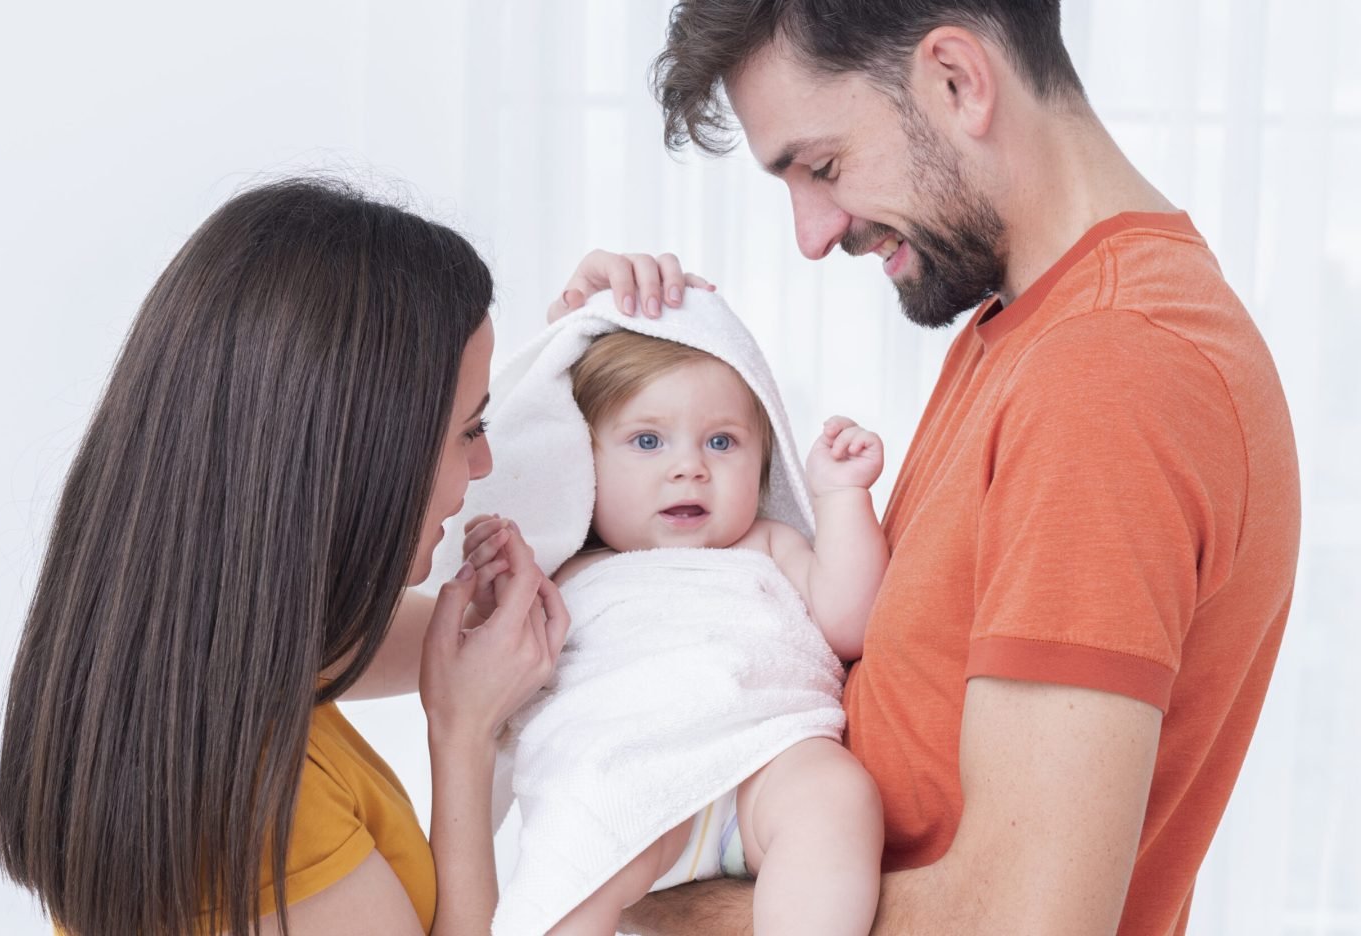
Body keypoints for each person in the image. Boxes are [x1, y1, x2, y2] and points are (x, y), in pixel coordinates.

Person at [551, 1, 1303, 933]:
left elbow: (1023, 921)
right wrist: (571, 386)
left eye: (823, 167)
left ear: (957, 79)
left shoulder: (1110, 373)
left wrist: (642, 908)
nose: (814, 233)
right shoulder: (1026, 331)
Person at [0, 178, 569, 936]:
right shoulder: (259, 811)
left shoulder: (186, 664)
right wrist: (460, 738)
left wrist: (594, 349)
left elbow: (449, 645)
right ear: (360, 457)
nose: (486, 464)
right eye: (470, 430)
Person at [463, 323, 887, 935]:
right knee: (569, 862)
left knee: (839, 798)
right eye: (646, 441)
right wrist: (491, 585)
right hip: (625, 787)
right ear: (583, 465)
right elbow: (500, 668)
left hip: (764, 772)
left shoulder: (770, 543)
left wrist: (842, 497)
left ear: (764, 461)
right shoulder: (568, 573)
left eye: (721, 441)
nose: (688, 467)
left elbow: (852, 624)